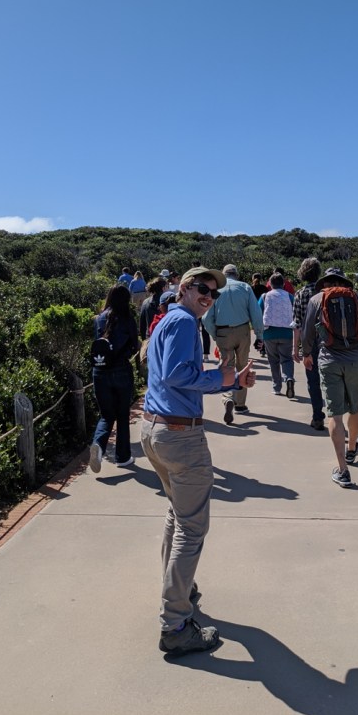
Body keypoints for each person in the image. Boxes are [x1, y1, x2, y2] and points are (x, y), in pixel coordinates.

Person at [141, 266, 256, 656]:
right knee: (191, 528)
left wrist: (226, 378)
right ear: (185, 289)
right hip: (179, 436)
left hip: (156, 431)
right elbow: (178, 375)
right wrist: (226, 381)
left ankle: (179, 588)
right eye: (203, 290)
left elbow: (166, 374)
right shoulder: (185, 322)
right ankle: (175, 623)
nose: (209, 297)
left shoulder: (167, 321)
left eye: (215, 294)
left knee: (177, 515)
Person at [301, 268, 358, 488]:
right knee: (354, 408)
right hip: (355, 359)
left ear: (325, 282)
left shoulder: (317, 298)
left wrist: (306, 353)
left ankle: (343, 470)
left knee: (334, 415)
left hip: (329, 359)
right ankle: (352, 449)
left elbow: (308, 331)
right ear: (344, 281)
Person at [202, 264, 264, 424]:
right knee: (243, 366)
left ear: (223, 275)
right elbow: (255, 313)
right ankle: (241, 405)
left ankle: (228, 397)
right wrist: (259, 335)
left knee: (226, 367)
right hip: (243, 330)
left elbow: (206, 318)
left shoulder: (216, 290)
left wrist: (215, 335)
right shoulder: (244, 287)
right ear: (236, 274)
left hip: (223, 331)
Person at [89, 284, 140, 473]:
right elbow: (134, 345)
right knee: (122, 415)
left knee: (106, 415)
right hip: (121, 371)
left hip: (100, 372)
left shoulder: (99, 318)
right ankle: (123, 457)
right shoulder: (127, 318)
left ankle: (99, 446)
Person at [291, 257, 326, 431]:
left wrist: (295, 348)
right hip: (329, 342)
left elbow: (297, 324)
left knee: (313, 381)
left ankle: (317, 417)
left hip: (309, 343)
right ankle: (337, 418)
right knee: (330, 379)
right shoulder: (326, 292)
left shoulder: (300, 294)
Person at [258, 273, 295, 396]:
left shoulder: (265, 296)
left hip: (269, 333)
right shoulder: (289, 297)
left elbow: (258, 312)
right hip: (287, 332)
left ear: (270, 284)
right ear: (283, 284)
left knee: (273, 360)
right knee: (287, 359)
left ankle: (276, 387)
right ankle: (289, 378)